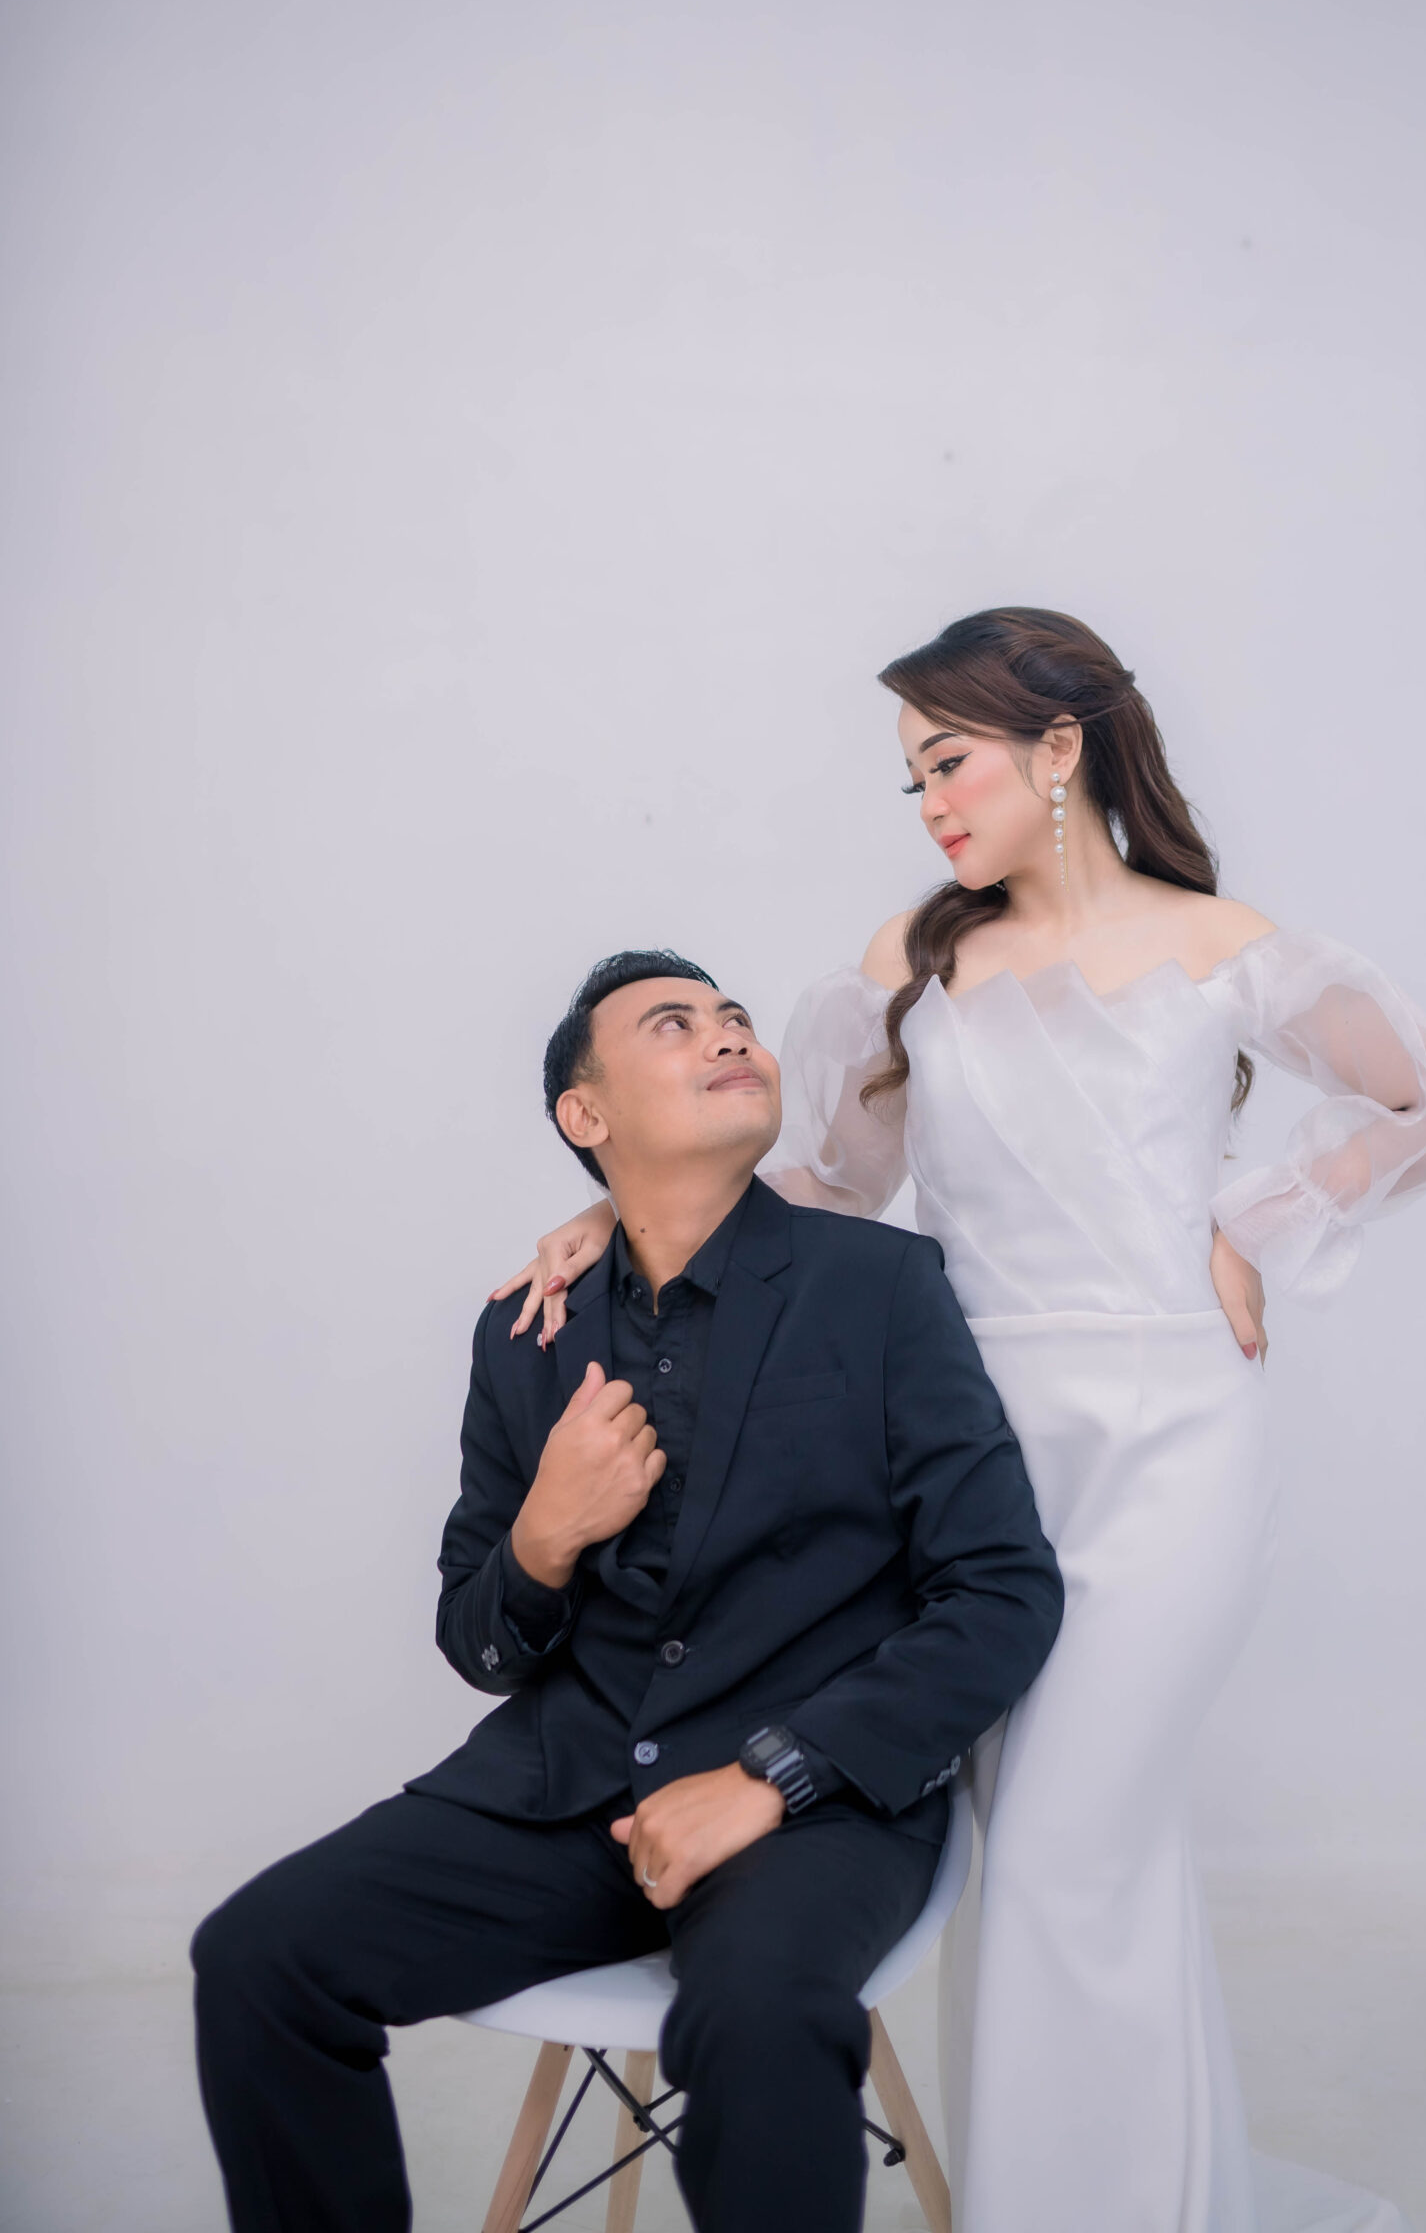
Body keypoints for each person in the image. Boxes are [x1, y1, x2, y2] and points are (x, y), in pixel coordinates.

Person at [500, 608, 1426, 2233]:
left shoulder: (1218, 944)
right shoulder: (915, 959)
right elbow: (825, 1184)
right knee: (1060, 1862)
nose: (926, 805)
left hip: (1172, 1447)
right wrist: (613, 1212)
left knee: (1066, 1851)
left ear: (1058, 751)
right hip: (964, 1464)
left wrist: (1250, 1225)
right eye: (908, 777)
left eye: (946, 762)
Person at [191, 951, 1063, 2233]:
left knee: (761, 2015)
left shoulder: (881, 1285)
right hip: (564, 1795)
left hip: (811, 1809)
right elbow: (478, 1642)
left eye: (735, 1017)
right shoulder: (525, 1332)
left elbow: (1000, 1591)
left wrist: (773, 1776)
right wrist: (544, 1536)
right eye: (674, 1023)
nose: (729, 1034)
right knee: (258, 1956)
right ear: (585, 1113)